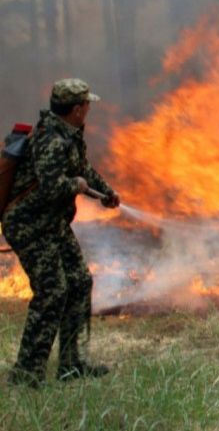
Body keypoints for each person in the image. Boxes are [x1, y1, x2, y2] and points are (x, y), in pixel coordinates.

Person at [2, 79, 121, 387]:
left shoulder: (68, 135)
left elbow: (83, 168)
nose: (90, 109)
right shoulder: (50, 141)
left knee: (80, 282)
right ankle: (26, 374)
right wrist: (77, 186)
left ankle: (73, 364)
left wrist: (106, 192)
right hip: (29, 225)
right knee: (52, 292)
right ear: (78, 109)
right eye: (87, 105)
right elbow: (52, 187)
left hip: (51, 224)